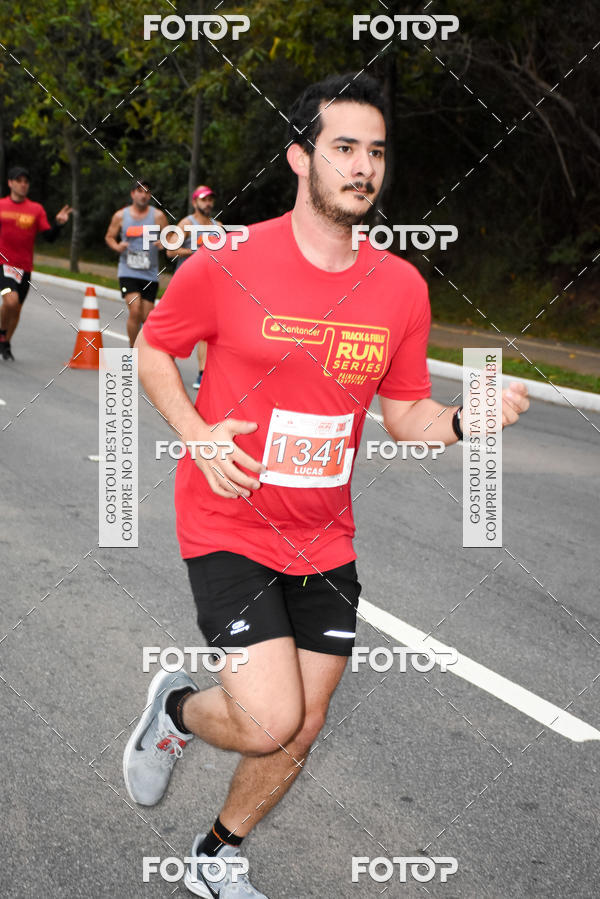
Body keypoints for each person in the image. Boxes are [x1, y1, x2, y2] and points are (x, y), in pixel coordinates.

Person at [125, 73, 530, 897]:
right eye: (344, 147)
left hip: (322, 535)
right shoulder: (226, 262)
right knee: (268, 716)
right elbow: (153, 349)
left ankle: (215, 855)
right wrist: (197, 432)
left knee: (302, 723)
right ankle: (176, 712)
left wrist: (465, 420)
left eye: (375, 151)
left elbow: (405, 416)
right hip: (228, 518)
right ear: (299, 156)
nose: (363, 166)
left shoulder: (400, 288)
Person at [0, 166, 72, 360]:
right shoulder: (1, 206)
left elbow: (49, 237)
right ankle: (2, 332)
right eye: (19, 181)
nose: (23, 185)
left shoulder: (36, 209)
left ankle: (6, 343)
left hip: (24, 267)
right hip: (3, 264)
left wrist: (58, 224)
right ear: (10, 183)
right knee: (10, 300)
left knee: (17, 308)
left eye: (26, 181)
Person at [165, 184, 222, 389]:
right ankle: (163, 366)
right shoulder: (186, 224)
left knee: (206, 331)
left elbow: (224, 253)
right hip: (186, 284)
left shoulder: (218, 226)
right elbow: (170, 251)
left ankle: (202, 374)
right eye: (204, 200)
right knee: (180, 330)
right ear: (195, 202)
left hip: (209, 286)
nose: (208, 203)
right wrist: (194, 252)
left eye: (210, 200)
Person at [104, 180, 168, 347]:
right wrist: (117, 246)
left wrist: (163, 242)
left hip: (150, 272)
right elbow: (109, 236)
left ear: (150, 196)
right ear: (133, 194)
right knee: (135, 309)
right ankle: (133, 351)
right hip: (128, 270)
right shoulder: (120, 216)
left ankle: (144, 349)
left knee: (147, 316)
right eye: (140, 191)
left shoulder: (158, 216)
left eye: (147, 192)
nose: (143, 195)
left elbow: (170, 237)